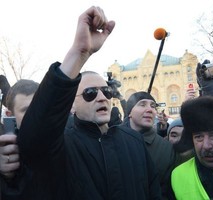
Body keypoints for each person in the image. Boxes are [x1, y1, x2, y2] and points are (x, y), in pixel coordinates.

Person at [17, 6, 161, 200]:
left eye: (107, 91)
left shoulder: (134, 141)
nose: (102, 97)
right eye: (90, 93)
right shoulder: (61, 146)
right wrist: (79, 53)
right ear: (72, 106)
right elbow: (33, 138)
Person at [122, 91, 176, 200]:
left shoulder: (166, 148)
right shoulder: (112, 140)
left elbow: (166, 191)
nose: (150, 109)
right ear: (129, 113)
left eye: (153, 106)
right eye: (142, 104)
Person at [0, 79, 44, 200]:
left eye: (39, 108)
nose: (36, 115)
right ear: (10, 115)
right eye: (27, 110)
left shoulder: (65, 136)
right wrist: (6, 176)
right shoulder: (4, 149)